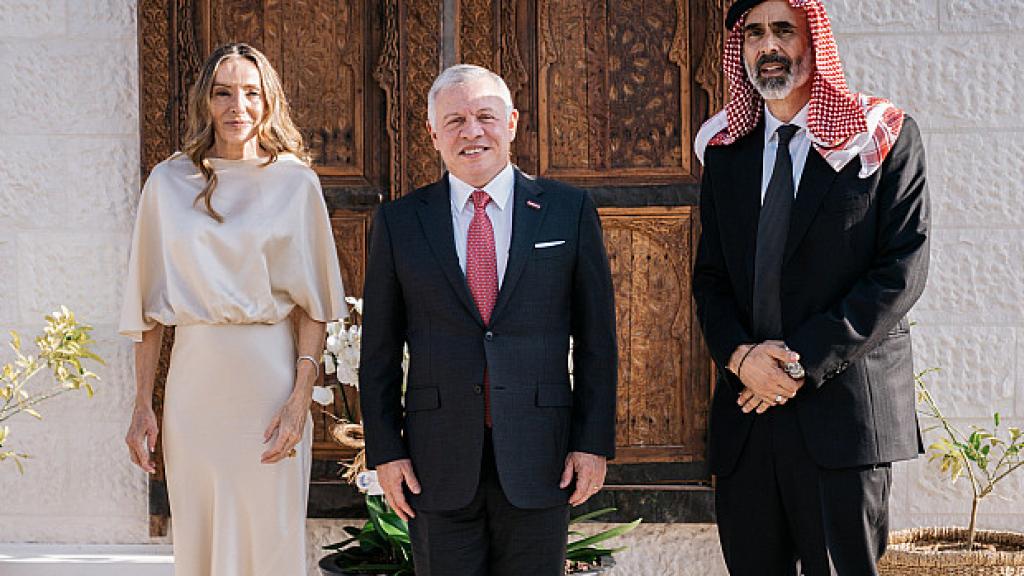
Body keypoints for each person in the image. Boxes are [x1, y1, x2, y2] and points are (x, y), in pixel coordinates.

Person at [692, 1, 930, 574]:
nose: (767, 46)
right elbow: (711, 278)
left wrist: (796, 365)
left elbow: (901, 270)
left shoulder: (882, 137)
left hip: (842, 419)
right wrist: (742, 357)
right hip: (748, 413)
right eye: (752, 33)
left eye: (783, 30)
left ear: (814, 41)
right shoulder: (726, 151)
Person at [358, 64, 617, 576]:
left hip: (541, 458)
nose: (471, 131)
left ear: (512, 123)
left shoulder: (568, 210)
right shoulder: (400, 222)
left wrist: (592, 443)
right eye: (454, 120)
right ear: (434, 134)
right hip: (435, 464)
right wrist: (385, 452)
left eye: (485, 116)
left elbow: (597, 342)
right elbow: (379, 351)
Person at [120, 43, 345, 575]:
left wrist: (299, 399)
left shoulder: (295, 183)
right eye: (223, 92)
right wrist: (141, 405)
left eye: (250, 92)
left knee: (269, 534)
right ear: (206, 100)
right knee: (200, 536)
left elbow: (316, 306)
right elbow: (147, 311)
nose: (236, 106)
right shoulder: (168, 182)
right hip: (194, 387)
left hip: (268, 381)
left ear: (269, 102)